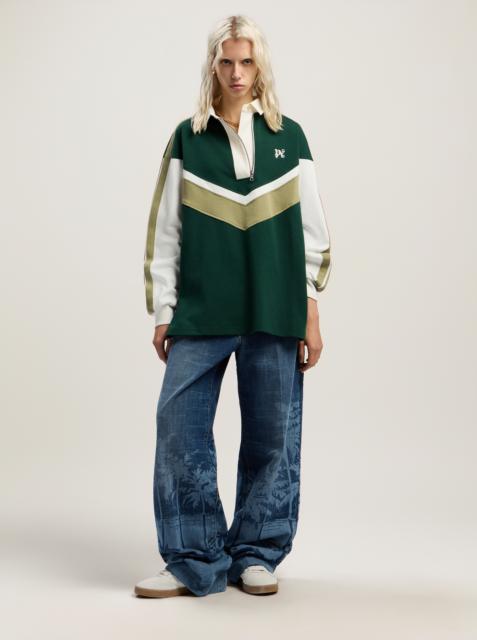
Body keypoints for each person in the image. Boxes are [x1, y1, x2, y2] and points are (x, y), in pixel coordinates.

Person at [134, 14, 332, 599]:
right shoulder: (188, 139)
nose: (237, 73)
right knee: (179, 427)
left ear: (259, 66)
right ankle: (193, 558)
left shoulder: (290, 138)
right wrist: (164, 310)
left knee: (273, 436)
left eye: (246, 62)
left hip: (275, 307)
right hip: (203, 309)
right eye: (227, 62)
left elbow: (314, 232)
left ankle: (257, 553)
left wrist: (310, 310)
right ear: (213, 66)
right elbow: (166, 230)